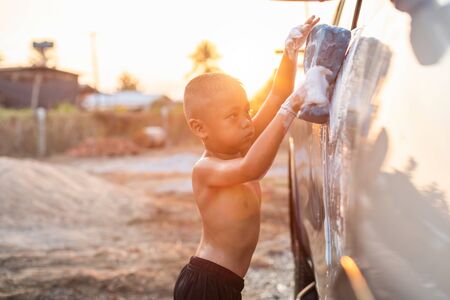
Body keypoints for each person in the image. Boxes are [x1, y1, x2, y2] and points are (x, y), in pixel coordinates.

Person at [174, 15, 330, 300]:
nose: (247, 122)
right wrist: (293, 105)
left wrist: (289, 53)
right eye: (232, 116)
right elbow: (252, 168)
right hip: (206, 285)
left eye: (246, 111)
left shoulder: (241, 141)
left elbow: (276, 94)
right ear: (200, 128)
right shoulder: (206, 169)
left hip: (227, 284)